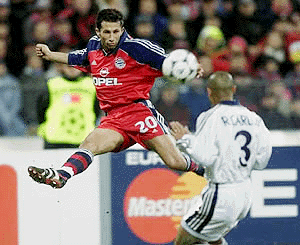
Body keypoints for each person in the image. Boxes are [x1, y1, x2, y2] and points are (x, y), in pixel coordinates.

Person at [28, 8, 204, 189]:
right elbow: (78, 58)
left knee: (175, 162)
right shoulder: (94, 47)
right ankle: (61, 175)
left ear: (122, 29)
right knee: (89, 144)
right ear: (98, 31)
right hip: (114, 119)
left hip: (139, 114)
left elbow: (170, 63)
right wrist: (50, 55)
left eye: (115, 32)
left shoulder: (137, 49)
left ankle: (202, 169)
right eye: (107, 32)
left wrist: (191, 68)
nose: (112, 37)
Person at [170, 71, 272, 245]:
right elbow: (262, 161)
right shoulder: (254, 118)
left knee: (184, 238)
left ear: (209, 91)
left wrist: (185, 140)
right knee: (210, 237)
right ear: (233, 89)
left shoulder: (211, 117)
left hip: (222, 193)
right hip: (245, 193)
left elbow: (206, 157)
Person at [37, 60, 100, 149]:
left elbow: (96, 109)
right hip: (55, 139)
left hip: (83, 139)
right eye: (70, 66)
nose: (73, 69)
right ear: (62, 67)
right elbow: (41, 108)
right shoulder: (53, 84)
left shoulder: (91, 85)